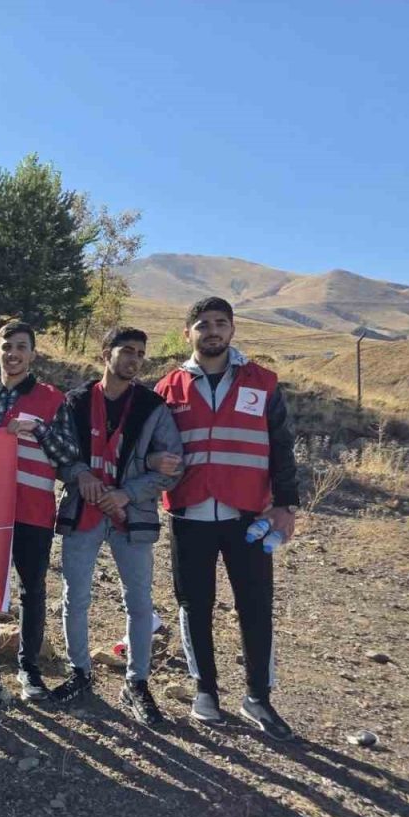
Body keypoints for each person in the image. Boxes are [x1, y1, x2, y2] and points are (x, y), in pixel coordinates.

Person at [155, 296, 300, 740]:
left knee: (255, 606)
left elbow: (282, 446)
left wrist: (286, 506)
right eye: (202, 324)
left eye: (220, 323)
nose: (212, 331)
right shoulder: (168, 387)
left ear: (233, 330)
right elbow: (150, 448)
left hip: (249, 514)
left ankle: (258, 696)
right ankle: (205, 691)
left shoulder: (263, 382)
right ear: (188, 334)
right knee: (194, 604)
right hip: (190, 511)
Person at [51, 327, 183, 727]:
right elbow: (57, 451)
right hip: (84, 511)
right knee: (76, 596)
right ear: (106, 353)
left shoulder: (153, 407)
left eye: (140, 354)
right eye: (126, 351)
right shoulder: (74, 401)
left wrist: (128, 492)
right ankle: (79, 673)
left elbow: (174, 467)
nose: (133, 360)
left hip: (132, 517)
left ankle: (136, 683)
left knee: (139, 601)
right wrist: (78, 474)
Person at [0, 321, 76, 704]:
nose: (12, 353)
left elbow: (69, 454)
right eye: (6, 346)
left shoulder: (52, 399)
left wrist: (39, 429)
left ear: (33, 354)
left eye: (21, 347)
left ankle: (30, 668)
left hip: (33, 509)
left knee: (32, 590)